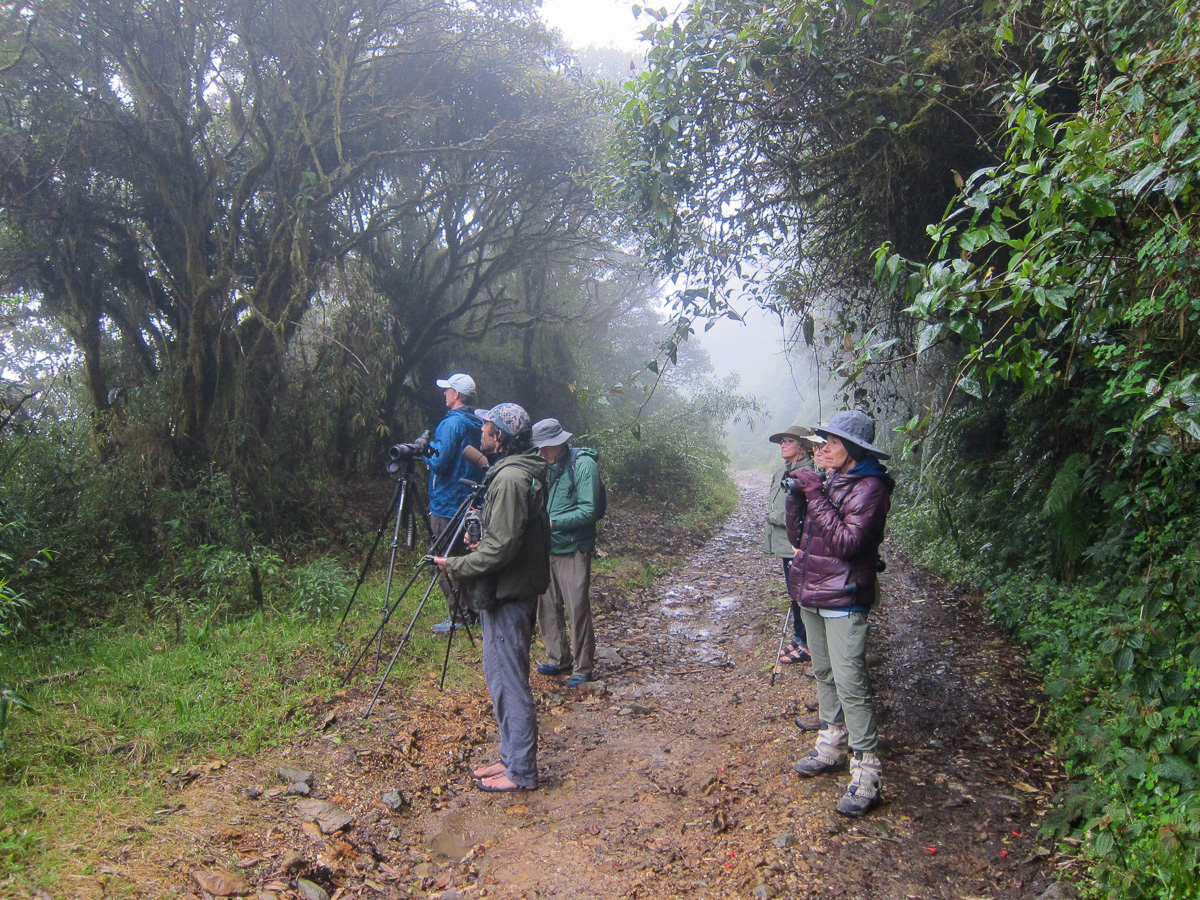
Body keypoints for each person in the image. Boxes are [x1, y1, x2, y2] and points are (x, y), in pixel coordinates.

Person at [433, 403, 550, 792]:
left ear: (499, 437)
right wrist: (478, 538)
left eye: (486, 426)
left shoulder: (511, 480)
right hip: (507, 588)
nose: (481, 431)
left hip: (510, 592)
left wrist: (457, 565)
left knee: (511, 681)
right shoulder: (512, 474)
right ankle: (510, 757)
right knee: (499, 677)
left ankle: (521, 772)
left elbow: (501, 549)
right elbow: (504, 537)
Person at [786, 410, 894, 817]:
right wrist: (798, 497)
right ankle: (831, 744)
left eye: (830, 442)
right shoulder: (830, 481)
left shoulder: (870, 488)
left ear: (852, 449)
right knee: (825, 672)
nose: (822, 448)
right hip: (811, 591)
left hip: (845, 596)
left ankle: (867, 771)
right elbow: (799, 538)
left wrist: (814, 494)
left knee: (851, 681)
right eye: (820, 442)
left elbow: (849, 543)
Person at [531, 418, 602, 688]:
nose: (542, 452)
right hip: (546, 547)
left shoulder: (583, 465)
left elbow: (589, 510)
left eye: (546, 447)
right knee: (547, 606)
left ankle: (583, 666)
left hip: (573, 548)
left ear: (559, 443)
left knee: (577, 608)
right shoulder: (545, 466)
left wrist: (552, 523)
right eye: (539, 448)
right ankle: (558, 657)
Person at [426, 373, 487, 634]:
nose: (444, 394)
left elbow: (440, 462)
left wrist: (426, 451)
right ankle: (474, 611)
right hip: (468, 502)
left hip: (447, 502)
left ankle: (460, 617)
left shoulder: (451, 424)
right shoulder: (478, 422)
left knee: (442, 560)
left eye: (448, 390)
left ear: (457, 395)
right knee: (465, 559)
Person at [764, 424, 821, 667]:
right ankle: (799, 638)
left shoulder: (807, 473)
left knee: (801, 593)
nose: (783, 445)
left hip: (797, 543)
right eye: (782, 442)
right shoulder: (782, 472)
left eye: (788, 441)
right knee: (793, 592)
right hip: (785, 542)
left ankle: (807, 643)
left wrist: (773, 517)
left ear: (801, 446)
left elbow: (805, 512)